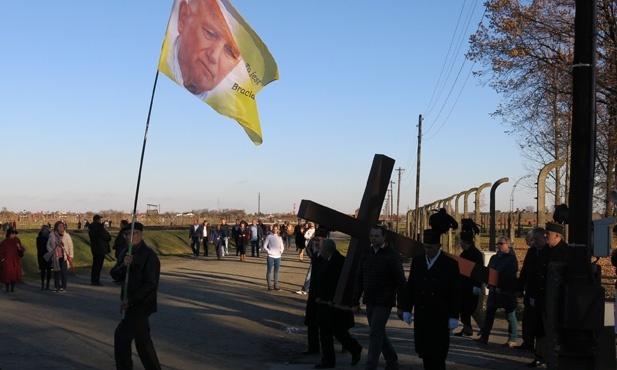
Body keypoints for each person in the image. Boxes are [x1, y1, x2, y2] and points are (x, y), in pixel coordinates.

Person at [400, 229, 461, 370]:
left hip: (440, 315)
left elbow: (455, 292)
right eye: (425, 247)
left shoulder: (449, 264)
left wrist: (454, 315)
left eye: (431, 247)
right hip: (422, 314)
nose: (427, 250)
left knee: (438, 354)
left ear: (439, 246)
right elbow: (411, 287)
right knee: (425, 352)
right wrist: (407, 309)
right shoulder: (418, 261)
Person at [160, 0, 241, 99]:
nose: (214, 56)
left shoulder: (222, 101)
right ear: (183, 18)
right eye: (210, 33)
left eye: (230, 51)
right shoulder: (157, 67)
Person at [351, 225, 406, 370]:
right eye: (371, 236)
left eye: (376, 236)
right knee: (378, 332)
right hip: (370, 300)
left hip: (384, 301)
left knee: (375, 333)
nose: (373, 238)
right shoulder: (367, 254)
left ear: (384, 237)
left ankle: (371, 366)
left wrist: (401, 306)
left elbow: (401, 282)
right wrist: (355, 302)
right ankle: (392, 360)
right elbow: (360, 279)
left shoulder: (392, 256)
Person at [110, 222, 161, 370]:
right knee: (142, 341)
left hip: (141, 304)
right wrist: (123, 266)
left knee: (121, 335)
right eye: (125, 234)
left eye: (132, 233)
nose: (128, 237)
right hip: (128, 303)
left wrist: (131, 301)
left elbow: (151, 285)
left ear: (140, 234)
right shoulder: (124, 252)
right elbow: (115, 275)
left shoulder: (149, 255)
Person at [314, 239, 362, 369]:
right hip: (324, 303)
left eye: (321, 248)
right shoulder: (324, 261)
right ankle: (328, 361)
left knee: (338, 331)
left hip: (335, 304)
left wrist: (333, 300)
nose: (320, 251)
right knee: (324, 334)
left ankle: (355, 348)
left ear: (327, 250)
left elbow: (340, 284)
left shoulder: (340, 262)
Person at [474, 236, 519, 347]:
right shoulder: (494, 257)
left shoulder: (511, 258)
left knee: (510, 315)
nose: (499, 245)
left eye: (501, 243)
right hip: (494, 291)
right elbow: (489, 271)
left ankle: (512, 339)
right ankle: (484, 337)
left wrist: (502, 286)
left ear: (508, 245)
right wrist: (489, 284)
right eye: (498, 243)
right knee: (489, 315)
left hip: (506, 292)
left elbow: (510, 274)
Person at [454, 221, 483, 337]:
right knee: (463, 308)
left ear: (465, 242)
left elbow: (479, 271)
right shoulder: (465, 253)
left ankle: (484, 327)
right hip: (464, 285)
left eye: (461, 241)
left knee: (472, 308)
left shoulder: (475, 254)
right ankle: (467, 329)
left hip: (472, 285)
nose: (460, 243)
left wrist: (477, 285)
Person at [515, 229, 543, 351]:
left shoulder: (546, 252)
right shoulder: (532, 251)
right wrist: (520, 287)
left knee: (539, 320)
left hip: (540, 290)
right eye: (533, 239)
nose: (533, 242)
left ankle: (539, 348)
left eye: (535, 239)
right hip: (530, 289)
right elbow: (525, 270)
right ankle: (527, 342)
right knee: (527, 318)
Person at [301, 229, 326, 355]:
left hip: (325, 295)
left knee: (327, 325)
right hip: (314, 293)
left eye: (319, 240)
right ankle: (313, 347)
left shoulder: (331, 258)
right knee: (311, 323)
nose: (316, 243)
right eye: (315, 240)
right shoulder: (316, 256)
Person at [46, 221, 74, 292]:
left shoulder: (66, 235)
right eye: (60, 226)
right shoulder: (52, 235)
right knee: (56, 272)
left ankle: (63, 286)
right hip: (56, 256)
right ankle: (56, 286)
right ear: (56, 227)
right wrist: (51, 251)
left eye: (62, 226)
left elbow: (70, 245)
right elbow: (48, 244)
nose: (61, 228)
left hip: (64, 256)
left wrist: (71, 256)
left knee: (64, 272)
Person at [89, 215, 112, 286]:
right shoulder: (99, 228)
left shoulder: (91, 228)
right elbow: (107, 237)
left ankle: (94, 280)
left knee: (95, 265)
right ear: (98, 220)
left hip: (95, 248)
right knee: (98, 265)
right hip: (101, 248)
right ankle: (96, 281)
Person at [0, 227, 25, 292]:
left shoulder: (17, 240)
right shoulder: (4, 242)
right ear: (9, 234)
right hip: (7, 261)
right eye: (12, 233)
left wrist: (19, 248)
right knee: (7, 275)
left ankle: (12, 288)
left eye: (14, 233)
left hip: (15, 261)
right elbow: (1, 252)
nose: (14, 235)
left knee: (14, 274)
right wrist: (2, 260)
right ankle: (7, 288)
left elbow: (21, 249)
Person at [262, 225, 284, 291]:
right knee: (269, 270)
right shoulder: (269, 236)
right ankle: (269, 284)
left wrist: (281, 251)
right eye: (274, 229)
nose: (275, 230)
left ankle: (276, 284)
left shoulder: (279, 237)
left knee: (276, 271)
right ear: (272, 229)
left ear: (278, 230)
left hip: (278, 256)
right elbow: (264, 246)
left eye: (276, 229)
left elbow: (282, 246)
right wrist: (269, 251)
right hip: (271, 256)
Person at [36, 225, 52, 290]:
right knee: (43, 270)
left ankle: (47, 284)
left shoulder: (50, 238)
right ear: (42, 231)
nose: (47, 231)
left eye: (48, 230)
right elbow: (39, 248)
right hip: (42, 255)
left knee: (49, 270)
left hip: (49, 255)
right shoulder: (39, 238)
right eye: (46, 230)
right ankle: (42, 283)